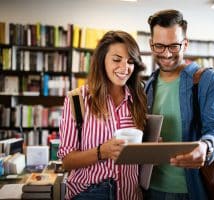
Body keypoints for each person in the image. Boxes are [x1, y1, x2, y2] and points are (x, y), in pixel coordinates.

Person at [144, 9, 214, 200]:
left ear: (185, 43)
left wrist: (206, 147)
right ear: (151, 45)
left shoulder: (207, 80)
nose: (166, 54)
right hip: (149, 188)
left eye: (174, 46)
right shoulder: (148, 85)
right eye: (159, 46)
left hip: (190, 191)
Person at [58, 30, 147, 200]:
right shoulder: (78, 99)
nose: (124, 67)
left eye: (130, 61)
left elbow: (137, 156)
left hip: (130, 194)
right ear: (102, 60)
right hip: (90, 193)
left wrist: (151, 150)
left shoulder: (138, 98)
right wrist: (102, 152)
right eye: (116, 59)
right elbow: (67, 160)